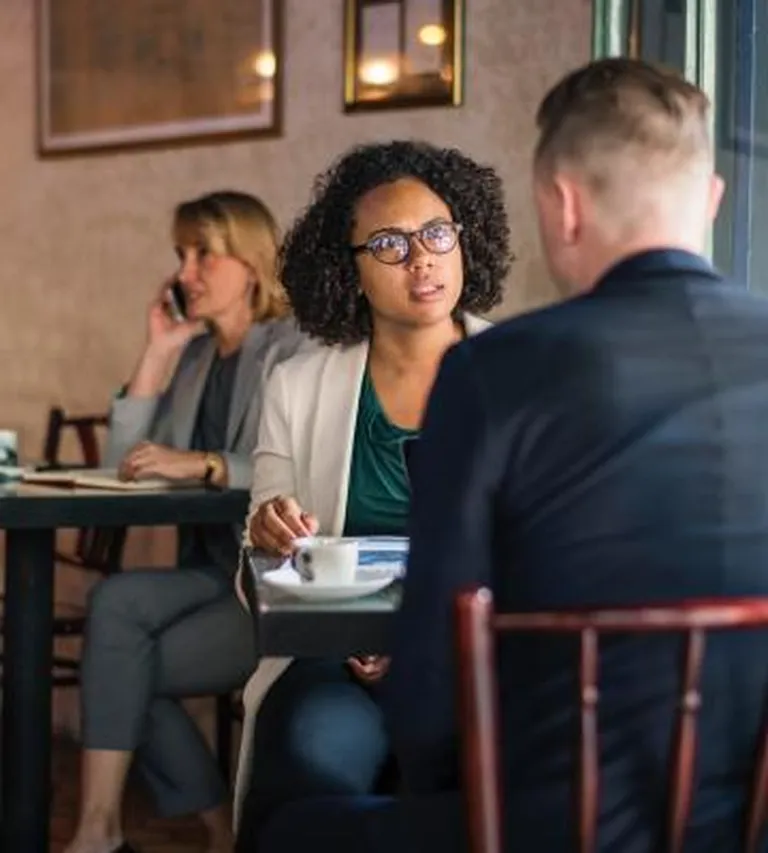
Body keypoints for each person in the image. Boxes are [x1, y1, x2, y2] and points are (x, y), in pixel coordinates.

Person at [254, 58, 768, 853]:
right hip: (747, 819)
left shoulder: (497, 370)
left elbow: (432, 682)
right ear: (711, 199)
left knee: (291, 831)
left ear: (562, 204)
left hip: (555, 817)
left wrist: (441, 775)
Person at [233, 140, 511, 849]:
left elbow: (544, 551)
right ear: (348, 269)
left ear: (465, 240)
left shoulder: (523, 371)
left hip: (481, 657)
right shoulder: (298, 385)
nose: (421, 258)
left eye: (437, 233)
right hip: (337, 658)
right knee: (312, 749)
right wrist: (269, 527)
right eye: (389, 243)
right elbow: (263, 558)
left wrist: (424, 643)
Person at [64, 190, 306, 853]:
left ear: (251, 263)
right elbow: (124, 470)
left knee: (121, 668)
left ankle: (152, 830)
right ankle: (107, 828)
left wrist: (205, 463)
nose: (184, 272)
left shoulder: (294, 346)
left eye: (204, 255)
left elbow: (299, 468)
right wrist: (157, 351)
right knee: (114, 602)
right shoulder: (197, 356)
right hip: (206, 572)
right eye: (181, 255)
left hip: (265, 582)